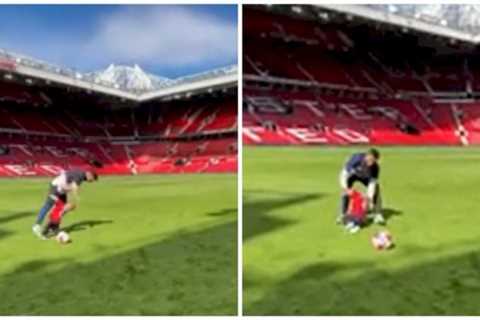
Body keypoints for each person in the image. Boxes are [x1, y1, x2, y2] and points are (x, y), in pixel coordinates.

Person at [32, 169, 98, 239]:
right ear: (89, 175)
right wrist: (76, 198)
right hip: (56, 187)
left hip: (62, 190)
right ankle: (37, 225)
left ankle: (54, 227)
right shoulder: (81, 175)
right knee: (48, 204)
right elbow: (74, 187)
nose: (91, 181)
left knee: (61, 209)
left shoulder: (83, 176)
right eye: (92, 179)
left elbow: (71, 185)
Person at [338, 148, 383, 225]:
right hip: (352, 175)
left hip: (365, 177)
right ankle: (343, 215)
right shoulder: (356, 159)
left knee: (376, 189)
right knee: (345, 193)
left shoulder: (375, 168)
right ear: (367, 156)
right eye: (370, 159)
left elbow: (372, 184)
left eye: (373, 161)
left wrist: (369, 198)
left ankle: (377, 214)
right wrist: (345, 188)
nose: (371, 162)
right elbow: (344, 174)